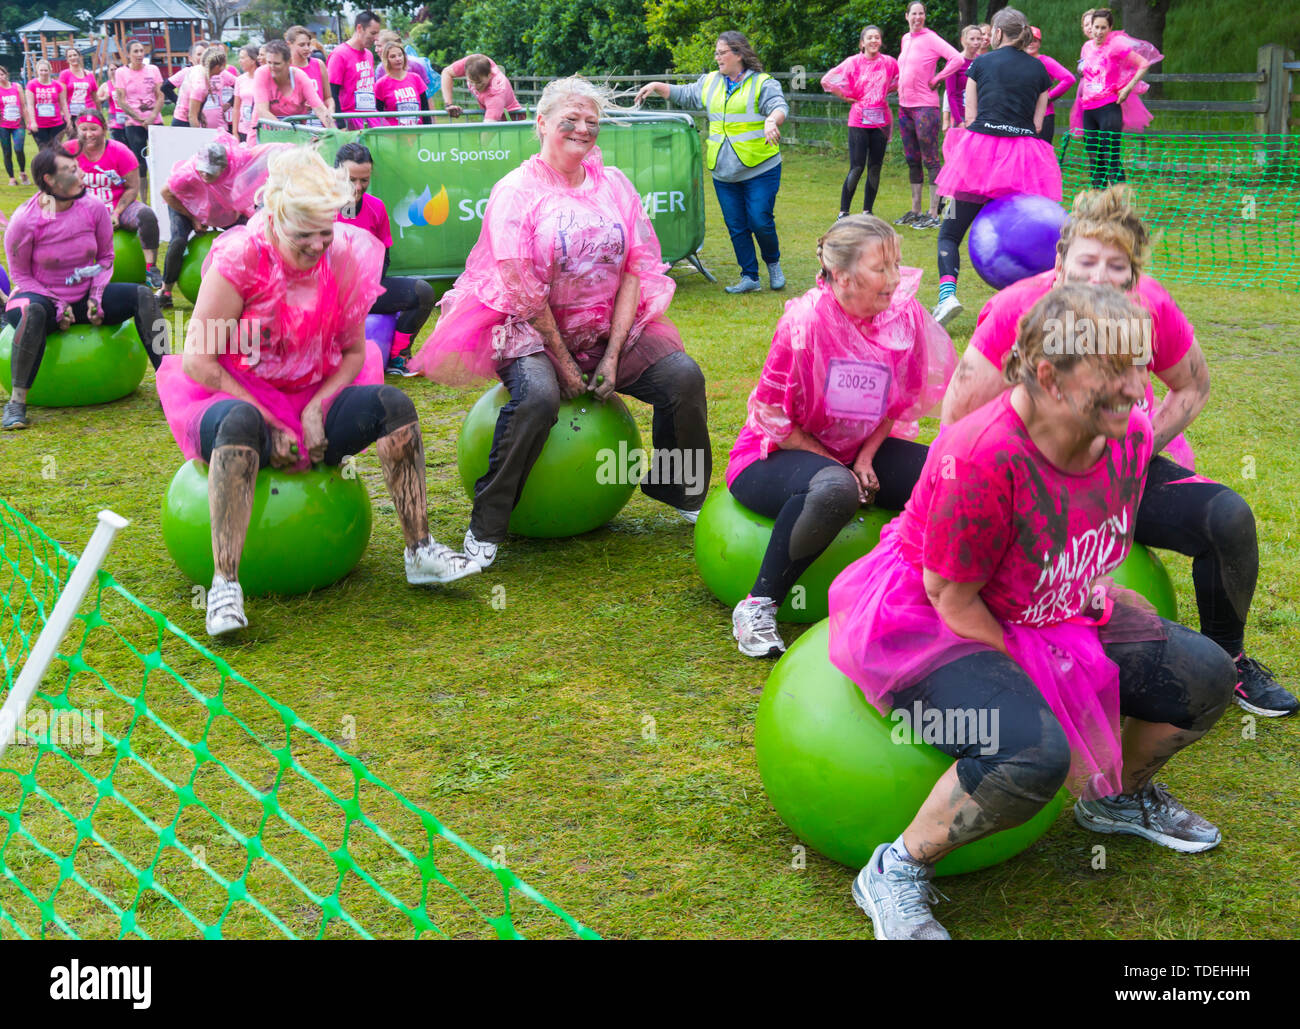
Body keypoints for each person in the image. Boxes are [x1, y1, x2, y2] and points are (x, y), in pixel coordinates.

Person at [829, 284, 1236, 940]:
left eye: (1141, 366)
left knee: (1207, 677)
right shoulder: (982, 456)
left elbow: (1101, 525)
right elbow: (951, 596)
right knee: (1033, 751)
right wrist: (1041, 672)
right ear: (1047, 374)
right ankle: (894, 868)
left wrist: (1086, 592)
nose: (1139, 390)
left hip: (1051, 606)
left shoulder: (1127, 432)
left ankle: (1117, 799)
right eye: (1115, 374)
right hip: (934, 620)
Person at [942, 186, 1297, 718]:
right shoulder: (1018, 308)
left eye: (1117, 265)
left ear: (1133, 275)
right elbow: (957, 418)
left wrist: (1129, 455)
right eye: (1087, 260)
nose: (1100, 276)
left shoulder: (1149, 306)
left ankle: (1229, 659)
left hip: (1120, 476)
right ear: (1060, 263)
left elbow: (1193, 386)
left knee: (1227, 517)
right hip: (1029, 480)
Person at [155, 147, 478, 636]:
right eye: (303, 235)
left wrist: (315, 408)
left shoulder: (344, 256)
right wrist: (271, 419)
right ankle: (224, 586)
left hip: (311, 390)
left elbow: (352, 354)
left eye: (325, 232)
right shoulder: (241, 258)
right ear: (276, 221)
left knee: (394, 404)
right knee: (241, 424)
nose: (316, 245)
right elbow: (200, 360)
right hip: (234, 395)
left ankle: (420, 550)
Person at [411, 77, 712, 568]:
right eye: (570, 121)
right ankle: (486, 526)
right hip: (531, 326)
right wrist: (565, 365)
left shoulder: (613, 184)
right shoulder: (516, 191)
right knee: (539, 397)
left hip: (605, 325)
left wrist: (612, 355)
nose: (582, 130)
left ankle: (680, 488)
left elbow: (636, 267)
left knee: (683, 378)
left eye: (591, 123)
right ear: (542, 123)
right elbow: (520, 286)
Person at [726, 216, 955, 657]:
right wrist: (839, 468)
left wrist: (866, 458)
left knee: (946, 472)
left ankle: (943, 597)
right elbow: (772, 416)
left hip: (855, 450)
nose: (895, 279)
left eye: (897, 264)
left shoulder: (904, 315)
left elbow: (898, 403)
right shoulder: (805, 322)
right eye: (881, 268)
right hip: (772, 453)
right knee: (835, 489)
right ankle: (758, 605)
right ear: (843, 275)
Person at [2, 145, 168, 431]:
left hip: (84, 297)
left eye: (77, 167)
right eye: (71, 171)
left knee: (143, 296)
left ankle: (170, 383)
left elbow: (105, 257)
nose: (82, 175)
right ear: (49, 180)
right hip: (39, 297)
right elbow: (21, 275)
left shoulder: (93, 208)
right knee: (35, 315)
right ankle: (16, 403)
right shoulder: (24, 220)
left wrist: (96, 295)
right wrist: (56, 303)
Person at [931, 7, 1061, 326]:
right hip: (1024, 159)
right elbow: (1037, 123)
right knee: (1020, 234)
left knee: (949, 230)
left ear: (998, 33)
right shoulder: (1040, 70)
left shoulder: (980, 64)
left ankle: (947, 295)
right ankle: (1028, 306)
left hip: (978, 154)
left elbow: (971, 117)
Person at [636, 32, 789, 294]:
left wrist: (772, 121)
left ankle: (773, 264)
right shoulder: (710, 82)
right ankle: (749, 276)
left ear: (738, 54)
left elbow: (779, 106)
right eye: (716, 53)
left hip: (760, 167)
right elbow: (685, 94)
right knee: (736, 225)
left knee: (760, 220)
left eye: (722, 53)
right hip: (724, 171)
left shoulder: (763, 83)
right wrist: (657, 86)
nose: (717, 58)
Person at [334, 142, 434, 375]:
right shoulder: (319, 206)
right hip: (327, 293)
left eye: (364, 180)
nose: (358, 187)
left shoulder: (376, 207)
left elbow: (384, 257)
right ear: (336, 173)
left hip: (364, 290)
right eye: (351, 180)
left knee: (423, 292)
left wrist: (367, 288)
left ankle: (398, 357)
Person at [158, 135, 285, 308]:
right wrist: (193, 217)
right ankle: (165, 290)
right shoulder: (187, 173)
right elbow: (166, 192)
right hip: (185, 205)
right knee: (178, 241)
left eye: (209, 172)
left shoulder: (238, 161)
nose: (204, 174)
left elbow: (266, 152)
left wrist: (298, 147)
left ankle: (259, 286)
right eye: (202, 170)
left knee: (251, 237)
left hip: (218, 207)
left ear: (224, 168)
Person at [64, 111, 163, 289]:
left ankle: (150, 268)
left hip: (118, 207)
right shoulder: (68, 151)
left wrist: (116, 213)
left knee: (147, 216)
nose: (88, 134)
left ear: (104, 128)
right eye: (83, 129)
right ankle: (69, 273)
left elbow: (132, 187)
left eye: (93, 129)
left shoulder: (120, 151)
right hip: (82, 211)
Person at [894, 3, 963, 229]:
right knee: (912, 159)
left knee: (930, 159)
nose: (917, 17)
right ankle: (915, 210)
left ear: (924, 16)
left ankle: (933, 213)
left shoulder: (931, 38)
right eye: (913, 14)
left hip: (925, 107)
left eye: (921, 13)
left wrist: (938, 78)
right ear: (907, 17)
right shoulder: (906, 39)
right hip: (905, 107)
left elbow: (956, 59)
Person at [821, 26, 899, 219]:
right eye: (869, 38)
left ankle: (867, 211)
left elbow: (900, 80)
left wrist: (884, 93)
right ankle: (844, 211)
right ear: (862, 43)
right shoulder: (853, 62)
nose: (874, 40)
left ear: (881, 41)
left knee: (875, 167)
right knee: (857, 167)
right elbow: (828, 80)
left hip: (881, 121)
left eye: (877, 37)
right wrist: (845, 96)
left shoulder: (889, 62)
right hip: (858, 122)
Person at [1076, 8, 1154, 187]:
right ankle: (1100, 202)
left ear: (1110, 29)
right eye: (1096, 27)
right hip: (1088, 109)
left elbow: (1143, 64)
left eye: (1103, 28)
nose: (1098, 32)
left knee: (1111, 156)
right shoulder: (1086, 47)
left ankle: (1120, 202)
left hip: (1109, 108)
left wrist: (1127, 88)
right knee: (1095, 160)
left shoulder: (1116, 46)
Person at [250, 39, 334, 141]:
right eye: (269, 63)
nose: (272, 67)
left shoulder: (300, 77)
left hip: (295, 134)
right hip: (265, 133)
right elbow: (262, 110)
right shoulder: (261, 73)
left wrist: (334, 133)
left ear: (289, 62)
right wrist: (289, 134)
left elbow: (319, 109)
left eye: (277, 63)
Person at [327, 10, 384, 128]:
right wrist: (340, 124)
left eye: (377, 34)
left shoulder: (368, 54)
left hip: (370, 118)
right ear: (359, 28)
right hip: (350, 120)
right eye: (372, 33)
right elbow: (332, 92)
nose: (376, 38)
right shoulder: (339, 54)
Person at [113, 41, 163, 171]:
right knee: (139, 162)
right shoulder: (121, 72)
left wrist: (152, 116)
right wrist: (140, 119)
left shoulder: (153, 69)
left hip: (155, 120)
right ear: (128, 54)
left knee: (160, 158)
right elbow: (121, 100)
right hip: (134, 123)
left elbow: (160, 95)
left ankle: (158, 189)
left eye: (141, 51)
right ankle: (142, 189)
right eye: (135, 51)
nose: (139, 54)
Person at [440, 53, 524, 122]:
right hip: (494, 116)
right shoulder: (472, 63)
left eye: (479, 82)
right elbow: (446, 73)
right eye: (471, 82)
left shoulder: (496, 91)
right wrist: (449, 104)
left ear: (489, 75)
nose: (475, 87)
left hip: (511, 123)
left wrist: (480, 143)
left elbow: (487, 130)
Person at [1026, 26, 1076, 143]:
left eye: (1034, 40)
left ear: (1040, 43)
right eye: (1027, 39)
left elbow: (1068, 78)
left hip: (1044, 115)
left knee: (1043, 153)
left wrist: (1049, 97)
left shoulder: (1045, 61)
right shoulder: (1018, 61)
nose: (1030, 43)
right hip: (1024, 115)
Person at [940, 26, 982, 156]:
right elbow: (951, 95)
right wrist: (959, 121)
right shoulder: (956, 62)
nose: (976, 42)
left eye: (979, 39)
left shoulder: (982, 61)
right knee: (959, 155)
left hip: (979, 116)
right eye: (972, 39)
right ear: (963, 40)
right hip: (961, 115)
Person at [286, 25, 334, 126]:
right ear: (289, 45)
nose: (307, 48)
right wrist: (302, 107)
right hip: (298, 126)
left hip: (321, 124)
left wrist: (330, 110)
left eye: (308, 44)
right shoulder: (285, 68)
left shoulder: (318, 64)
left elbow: (328, 97)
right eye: (302, 45)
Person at [374, 41, 429, 126]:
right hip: (394, 134)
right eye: (393, 56)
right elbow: (378, 114)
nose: (398, 59)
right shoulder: (381, 84)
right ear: (386, 60)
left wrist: (428, 130)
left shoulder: (416, 78)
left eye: (400, 55)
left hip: (418, 132)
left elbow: (425, 108)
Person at [186, 45, 236, 131]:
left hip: (219, 126)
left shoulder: (221, 74)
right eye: (199, 54)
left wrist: (229, 103)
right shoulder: (198, 81)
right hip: (199, 127)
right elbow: (192, 115)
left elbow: (238, 86)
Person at [25, 59, 69, 149]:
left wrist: (68, 120)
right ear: (37, 71)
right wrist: (32, 122)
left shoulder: (57, 85)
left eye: (46, 70)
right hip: (39, 124)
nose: (44, 73)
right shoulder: (32, 85)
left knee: (55, 149)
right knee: (44, 150)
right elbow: (29, 105)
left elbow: (64, 103)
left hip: (56, 123)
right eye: (41, 70)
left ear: (50, 71)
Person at [0, 65, 29, 186]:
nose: (0, 77)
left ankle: (22, 172)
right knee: (7, 151)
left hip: (18, 125)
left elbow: (23, 106)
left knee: (18, 149)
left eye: (1, 74)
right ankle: (11, 177)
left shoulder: (16, 87)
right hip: (3, 125)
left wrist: (29, 123)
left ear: (6, 74)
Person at [59, 47, 100, 130]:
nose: (73, 57)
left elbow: (96, 97)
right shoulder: (64, 75)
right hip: (72, 113)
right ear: (67, 59)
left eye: (75, 55)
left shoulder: (89, 74)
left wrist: (99, 114)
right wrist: (65, 115)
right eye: (70, 56)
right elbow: (62, 98)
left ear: (80, 57)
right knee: (74, 138)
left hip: (88, 112)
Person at [168, 41, 208, 128]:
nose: (202, 57)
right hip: (183, 120)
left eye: (205, 54)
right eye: (199, 54)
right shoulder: (187, 72)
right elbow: (165, 87)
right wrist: (179, 103)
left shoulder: (205, 75)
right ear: (190, 58)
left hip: (195, 118)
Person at [232, 44, 260, 141]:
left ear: (253, 60)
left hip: (259, 129)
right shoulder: (240, 80)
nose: (240, 61)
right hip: (243, 129)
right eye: (239, 58)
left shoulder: (263, 78)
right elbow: (236, 108)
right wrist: (235, 132)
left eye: (243, 58)